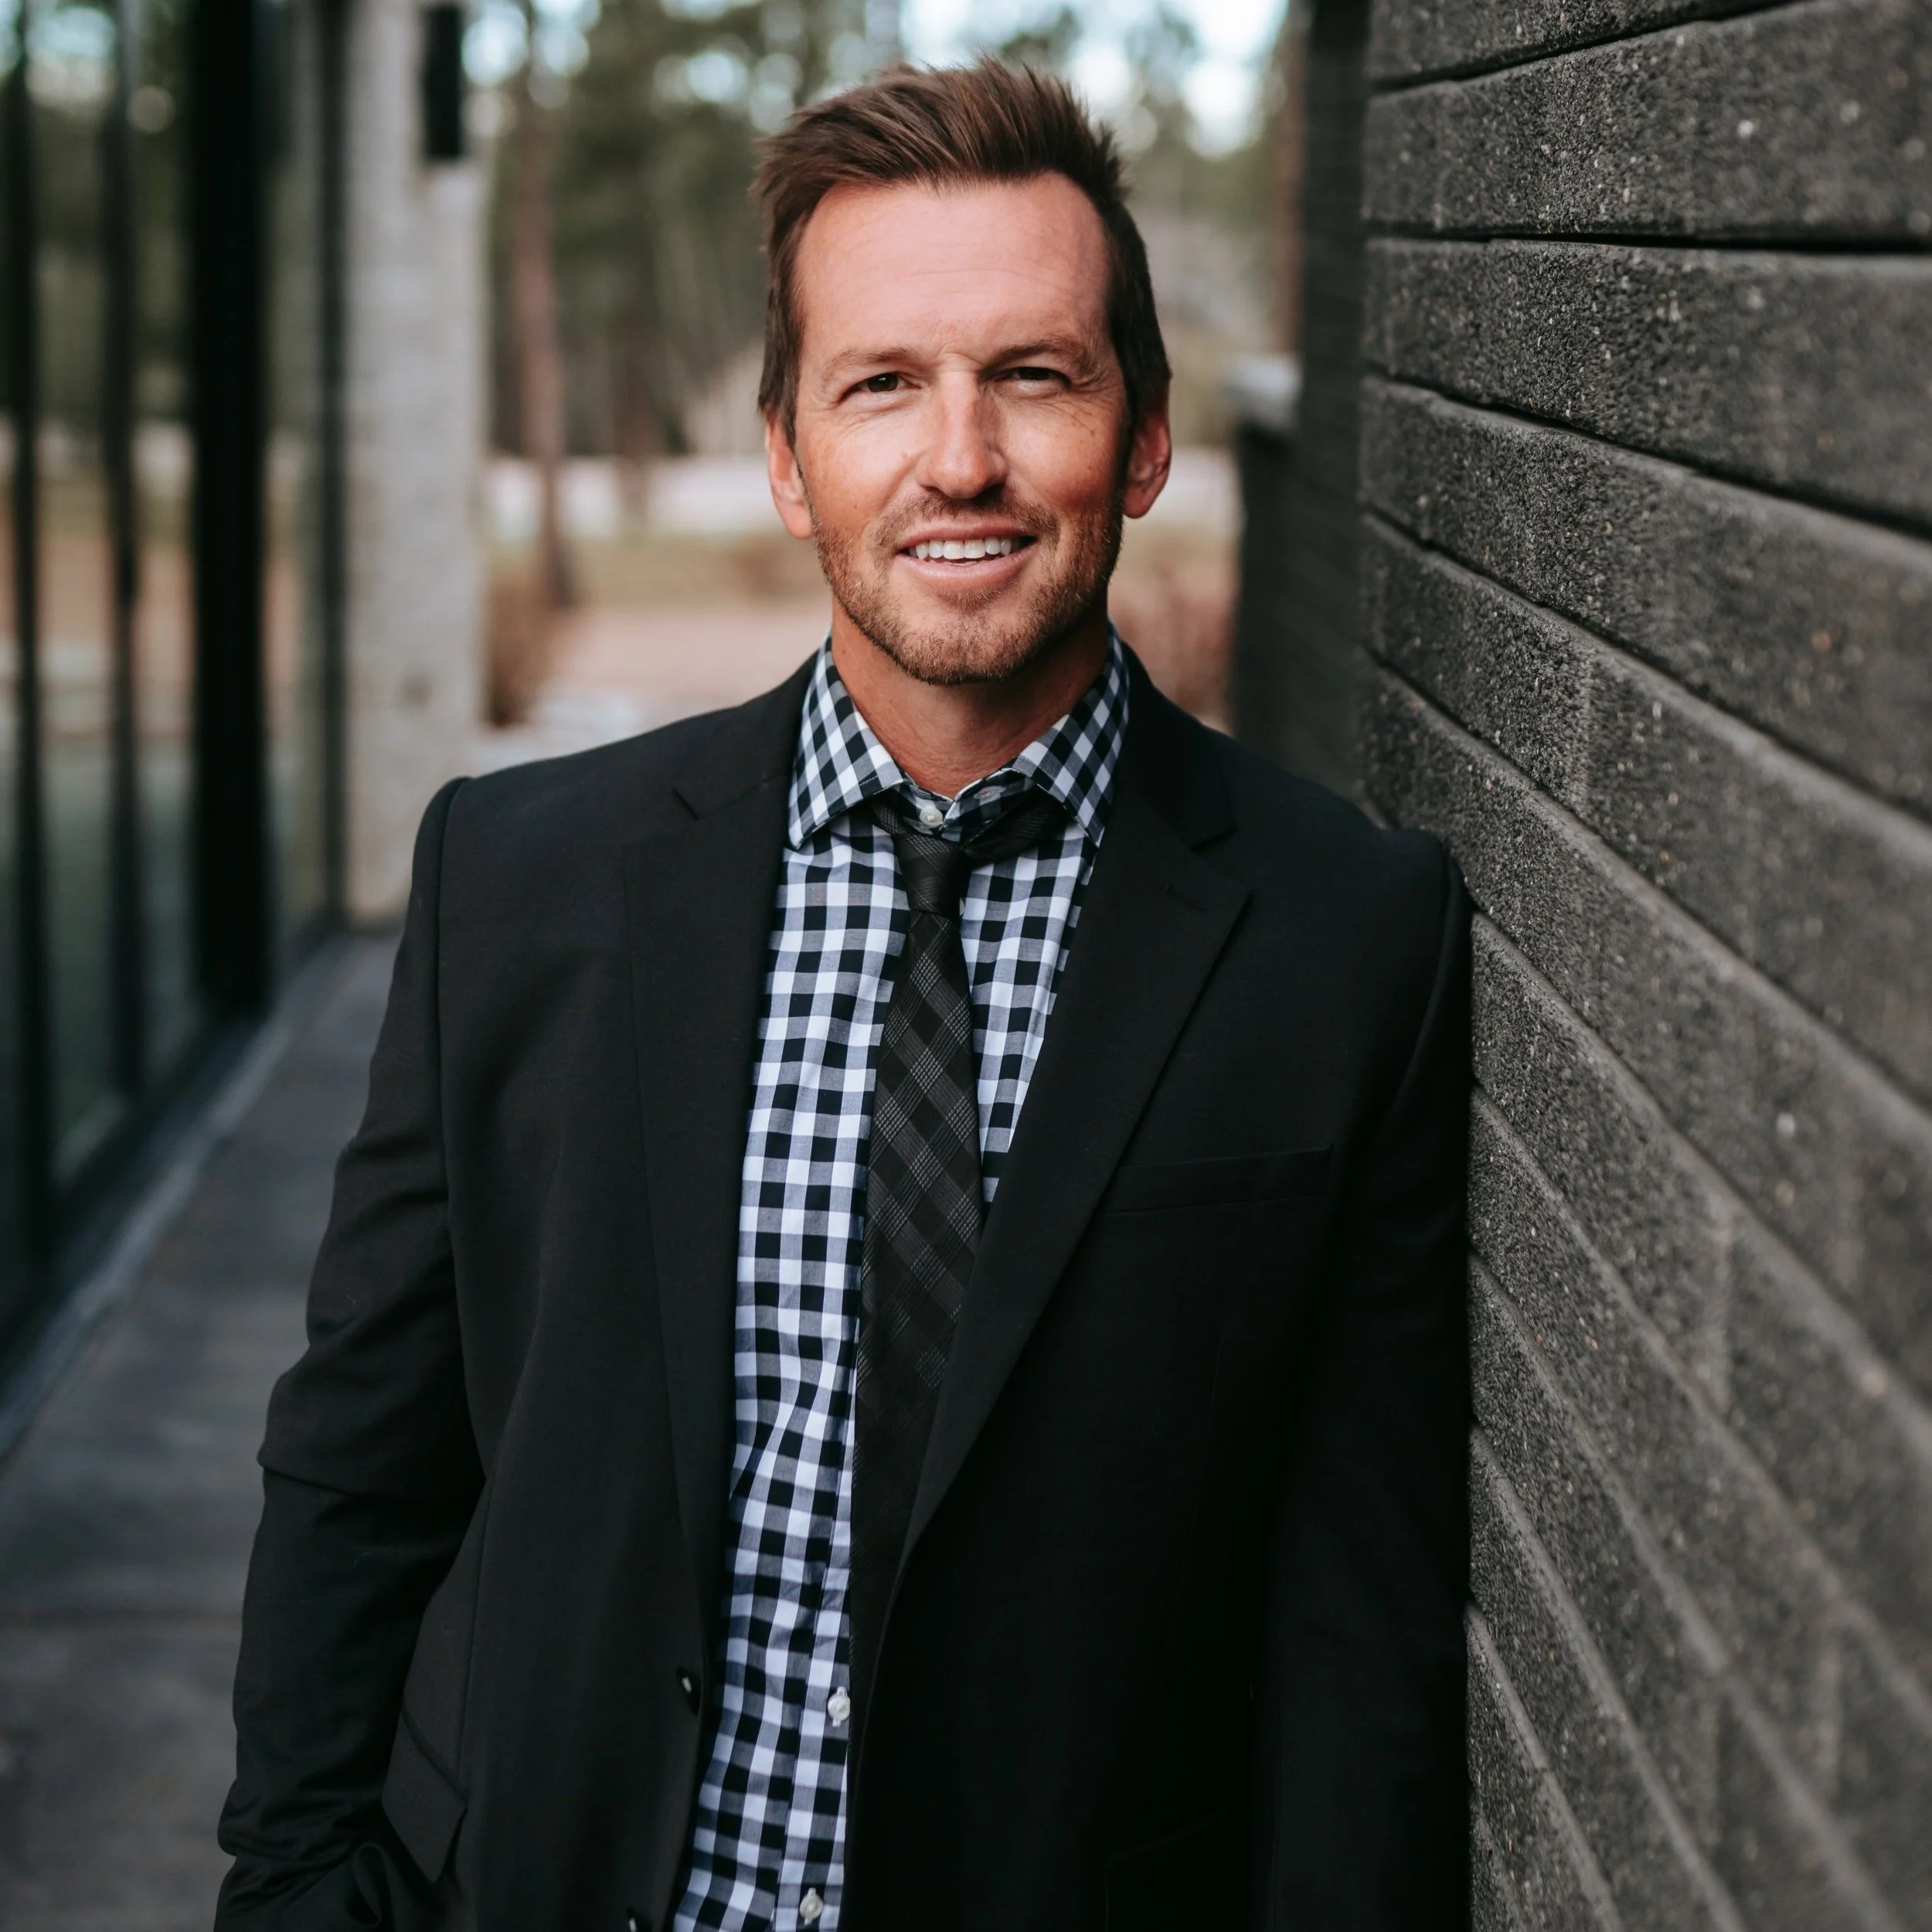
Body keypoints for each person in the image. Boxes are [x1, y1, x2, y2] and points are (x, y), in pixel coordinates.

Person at [215, 60, 1471, 1932]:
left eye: (1031, 375)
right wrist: (297, 1885)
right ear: (793, 454)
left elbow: (1352, 1617)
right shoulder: (520, 881)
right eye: (880, 382)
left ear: (1137, 436)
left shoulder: (1341, 935)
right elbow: (361, 1465)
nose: (955, 458)